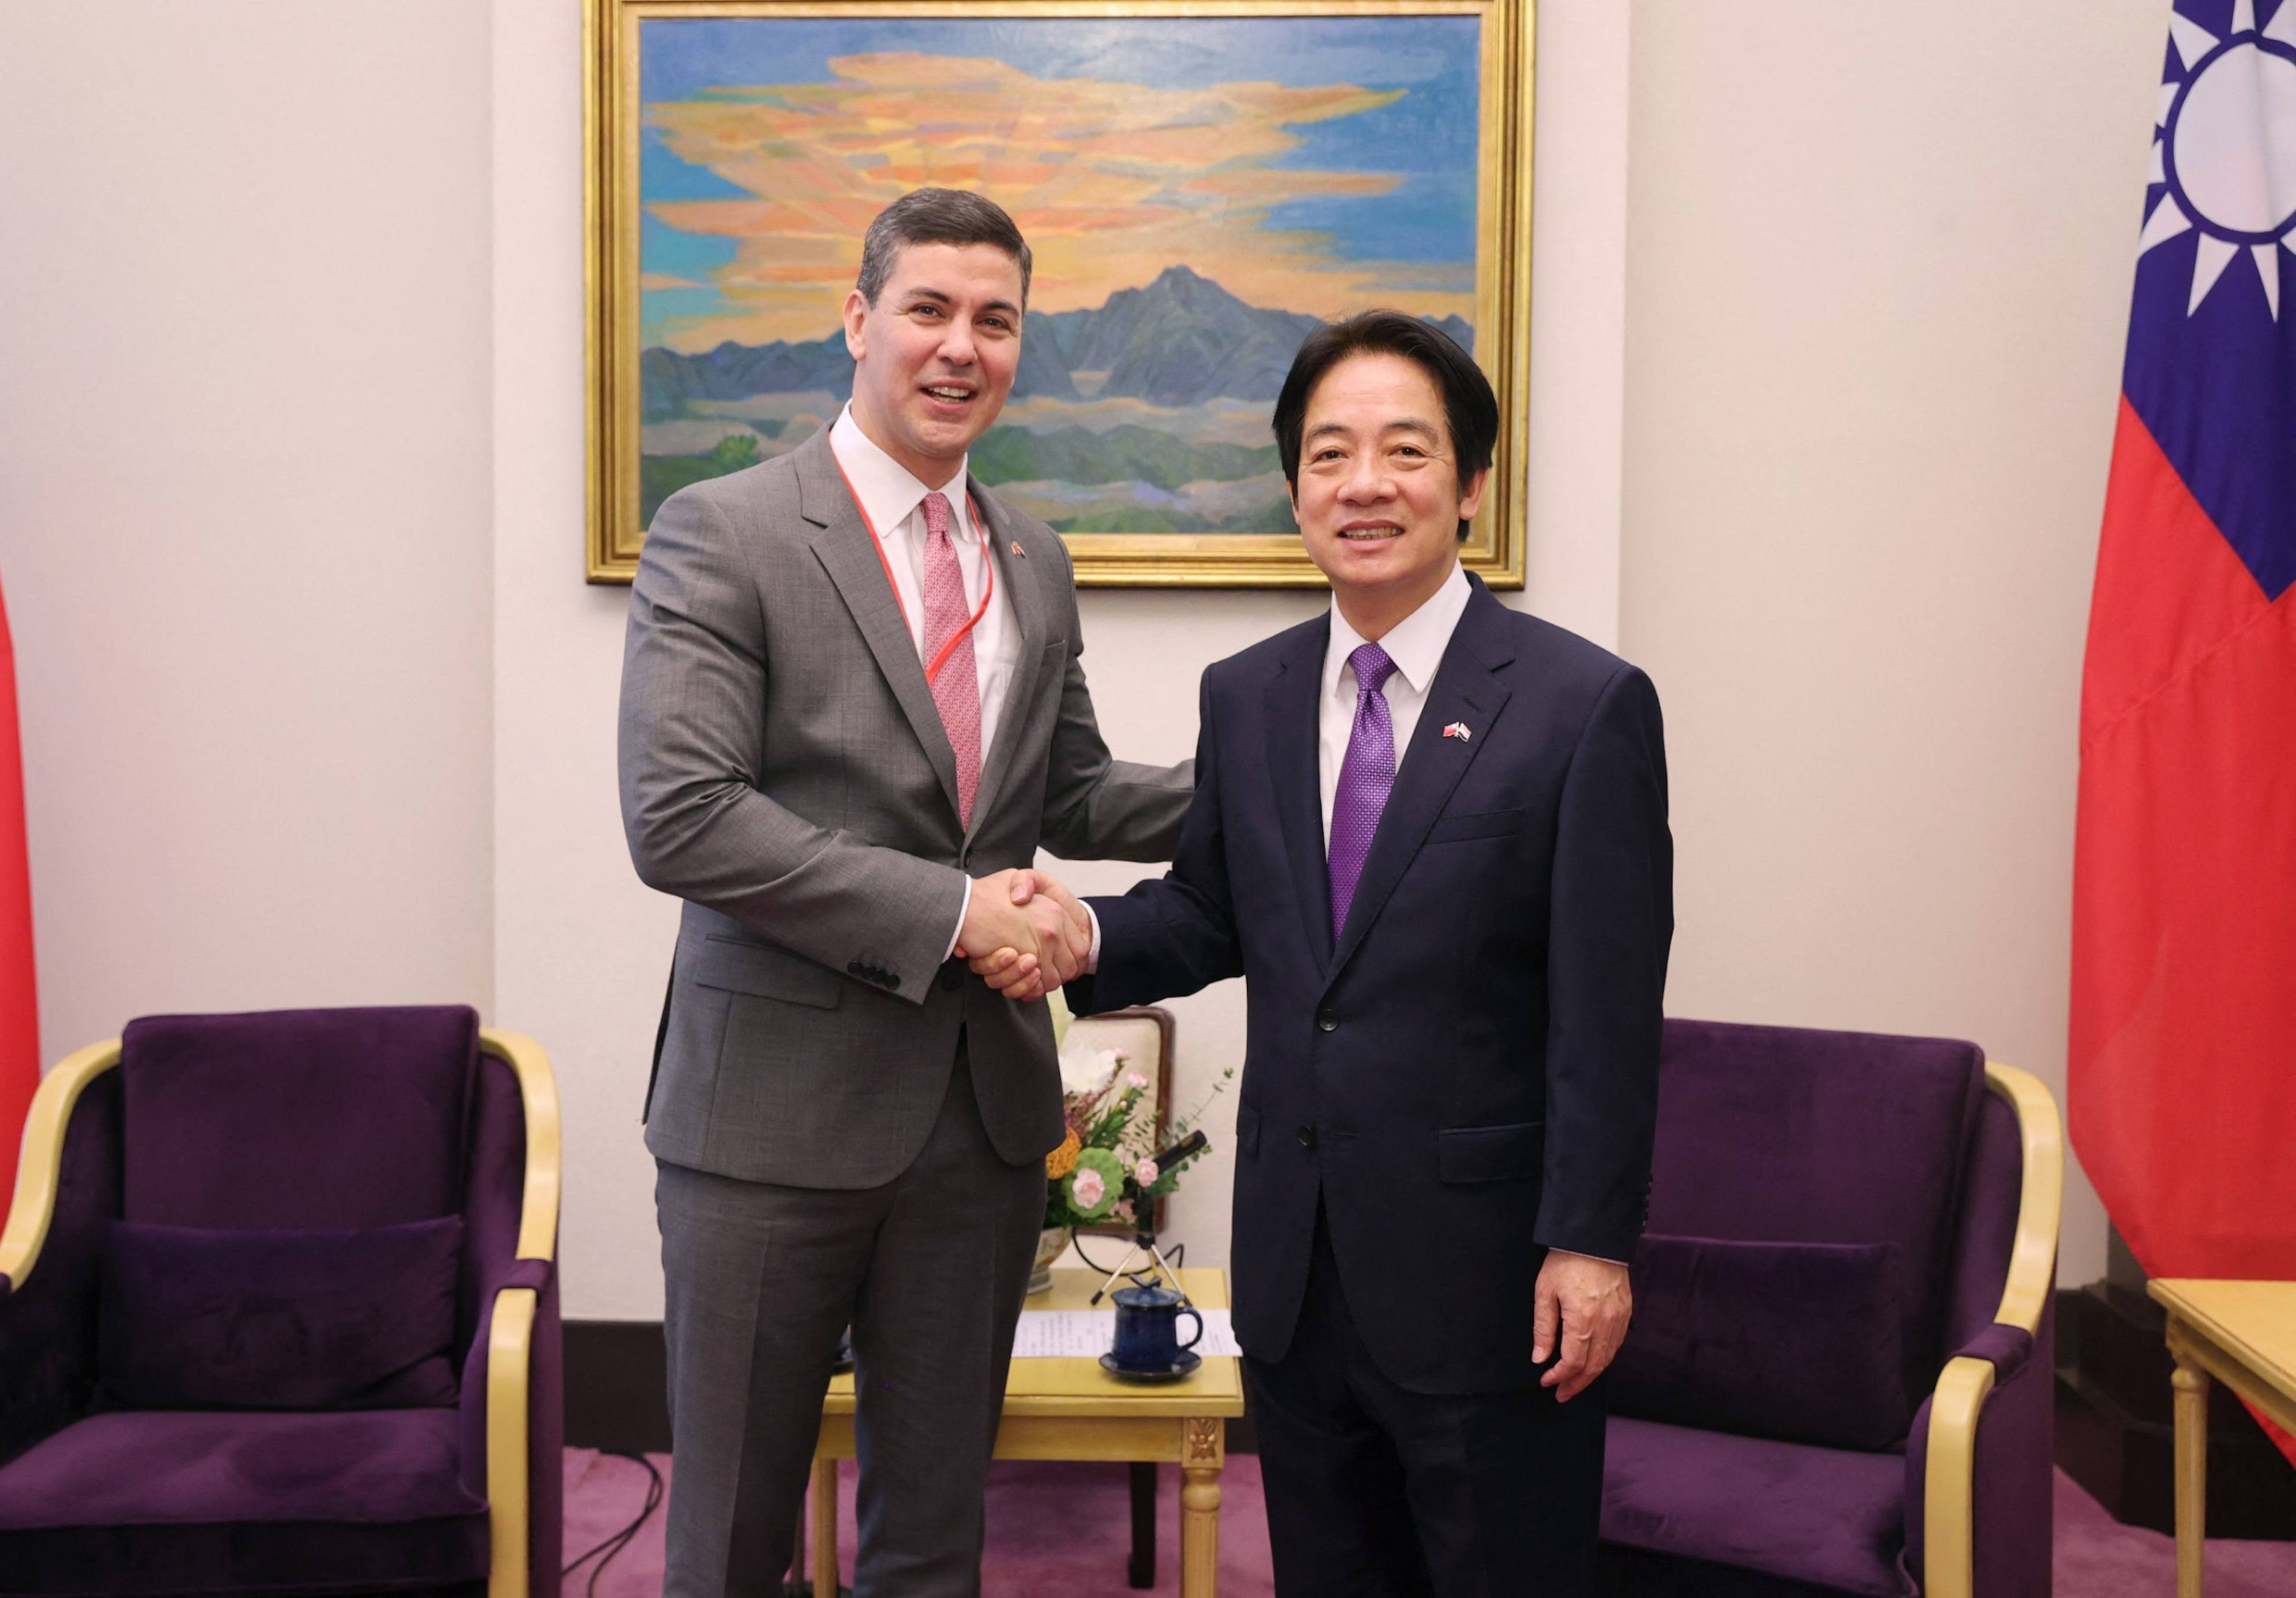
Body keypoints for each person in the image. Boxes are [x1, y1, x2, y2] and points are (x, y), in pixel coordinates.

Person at [980, 310, 1672, 1593]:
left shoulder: (1582, 707)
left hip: (1489, 1281)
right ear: (1292, 487)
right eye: (1327, 454)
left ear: (1469, 485)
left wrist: (1590, 1243)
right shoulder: (1249, 693)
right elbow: (1213, 911)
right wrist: (1079, 931)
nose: (1363, 485)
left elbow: (1608, 1011)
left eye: (1403, 452)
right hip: (1296, 1270)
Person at [617, 187, 1192, 1598]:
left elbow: (1070, 795)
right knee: (734, 1543)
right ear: (860, 318)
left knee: (933, 1539)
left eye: (994, 320)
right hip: (767, 1123)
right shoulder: (725, 531)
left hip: (976, 1129)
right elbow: (681, 819)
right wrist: (949, 915)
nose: (960, 347)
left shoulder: (1034, 559)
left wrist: (1298, 765)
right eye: (928, 310)